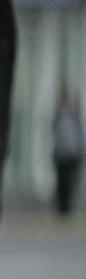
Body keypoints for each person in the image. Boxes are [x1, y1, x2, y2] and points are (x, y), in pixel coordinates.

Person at [52, 80, 84, 217]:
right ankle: (62, 207)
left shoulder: (75, 117)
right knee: (62, 182)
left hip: (72, 154)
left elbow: (79, 135)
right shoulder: (59, 115)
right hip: (61, 154)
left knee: (70, 181)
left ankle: (66, 207)